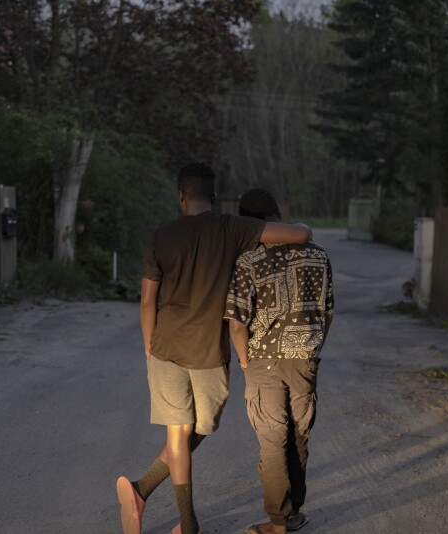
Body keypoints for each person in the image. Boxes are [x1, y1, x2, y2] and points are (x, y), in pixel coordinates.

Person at [116, 164, 313, 534]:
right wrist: (298, 229)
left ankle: (142, 490)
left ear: (180, 197)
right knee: (192, 430)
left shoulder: (161, 236)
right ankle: (187, 525)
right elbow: (301, 235)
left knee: (190, 431)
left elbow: (147, 303)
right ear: (214, 196)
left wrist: (148, 350)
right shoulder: (231, 228)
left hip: (165, 349)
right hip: (209, 353)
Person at [224, 188, 333, 534]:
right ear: (276, 215)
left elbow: (237, 323)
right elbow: (327, 313)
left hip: (263, 359)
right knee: (299, 435)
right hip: (305, 359)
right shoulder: (317, 254)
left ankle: (278, 522)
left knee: (273, 440)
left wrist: (243, 361)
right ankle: (293, 513)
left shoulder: (247, 259)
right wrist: (312, 350)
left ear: (248, 222)